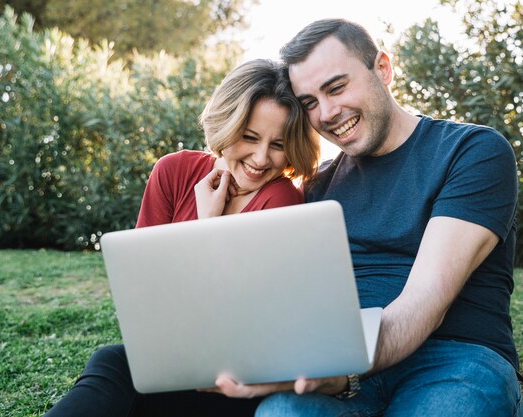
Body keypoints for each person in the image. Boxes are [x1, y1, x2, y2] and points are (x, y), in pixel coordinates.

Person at [207, 19, 521, 417]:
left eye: (337, 88)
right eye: (309, 103)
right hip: (344, 360)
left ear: (383, 68)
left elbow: (425, 303)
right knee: (282, 412)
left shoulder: (472, 152)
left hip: (455, 359)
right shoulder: (318, 187)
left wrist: (340, 372)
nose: (328, 113)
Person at [42, 58, 320, 417]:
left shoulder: (281, 199)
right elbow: (146, 295)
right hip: (173, 358)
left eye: (278, 144)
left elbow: (239, 316)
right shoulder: (173, 171)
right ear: (225, 124)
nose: (261, 157)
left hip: (238, 380)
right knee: (112, 360)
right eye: (249, 137)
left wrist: (206, 225)